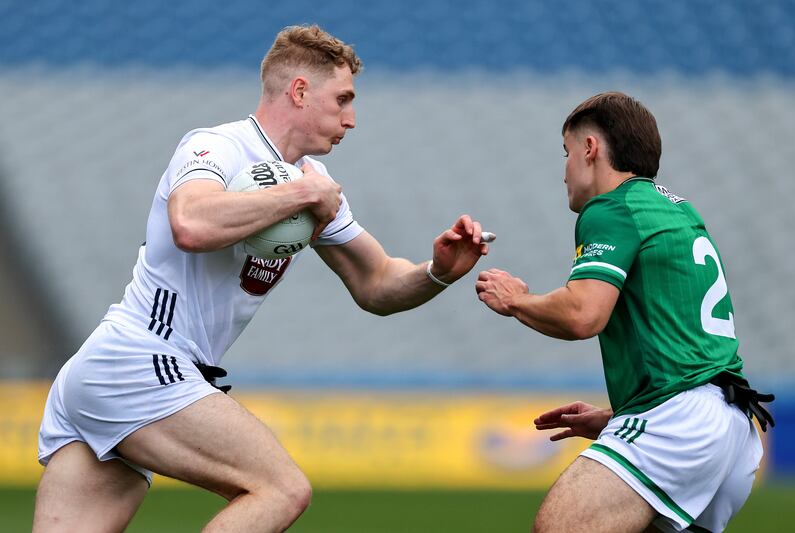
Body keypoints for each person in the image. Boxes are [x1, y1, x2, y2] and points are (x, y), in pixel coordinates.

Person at [33, 24, 491, 533]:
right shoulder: (218, 147)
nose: (351, 119)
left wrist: (438, 273)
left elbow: (378, 283)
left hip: (117, 374)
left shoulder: (313, 184)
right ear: (299, 91)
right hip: (141, 359)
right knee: (280, 489)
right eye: (342, 100)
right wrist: (300, 197)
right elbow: (189, 224)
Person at [476, 92, 773, 533]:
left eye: (567, 152)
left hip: (681, 419)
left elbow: (583, 314)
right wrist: (620, 417)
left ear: (591, 149)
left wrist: (517, 299)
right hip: (731, 425)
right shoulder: (677, 211)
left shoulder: (612, 207)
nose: (564, 171)